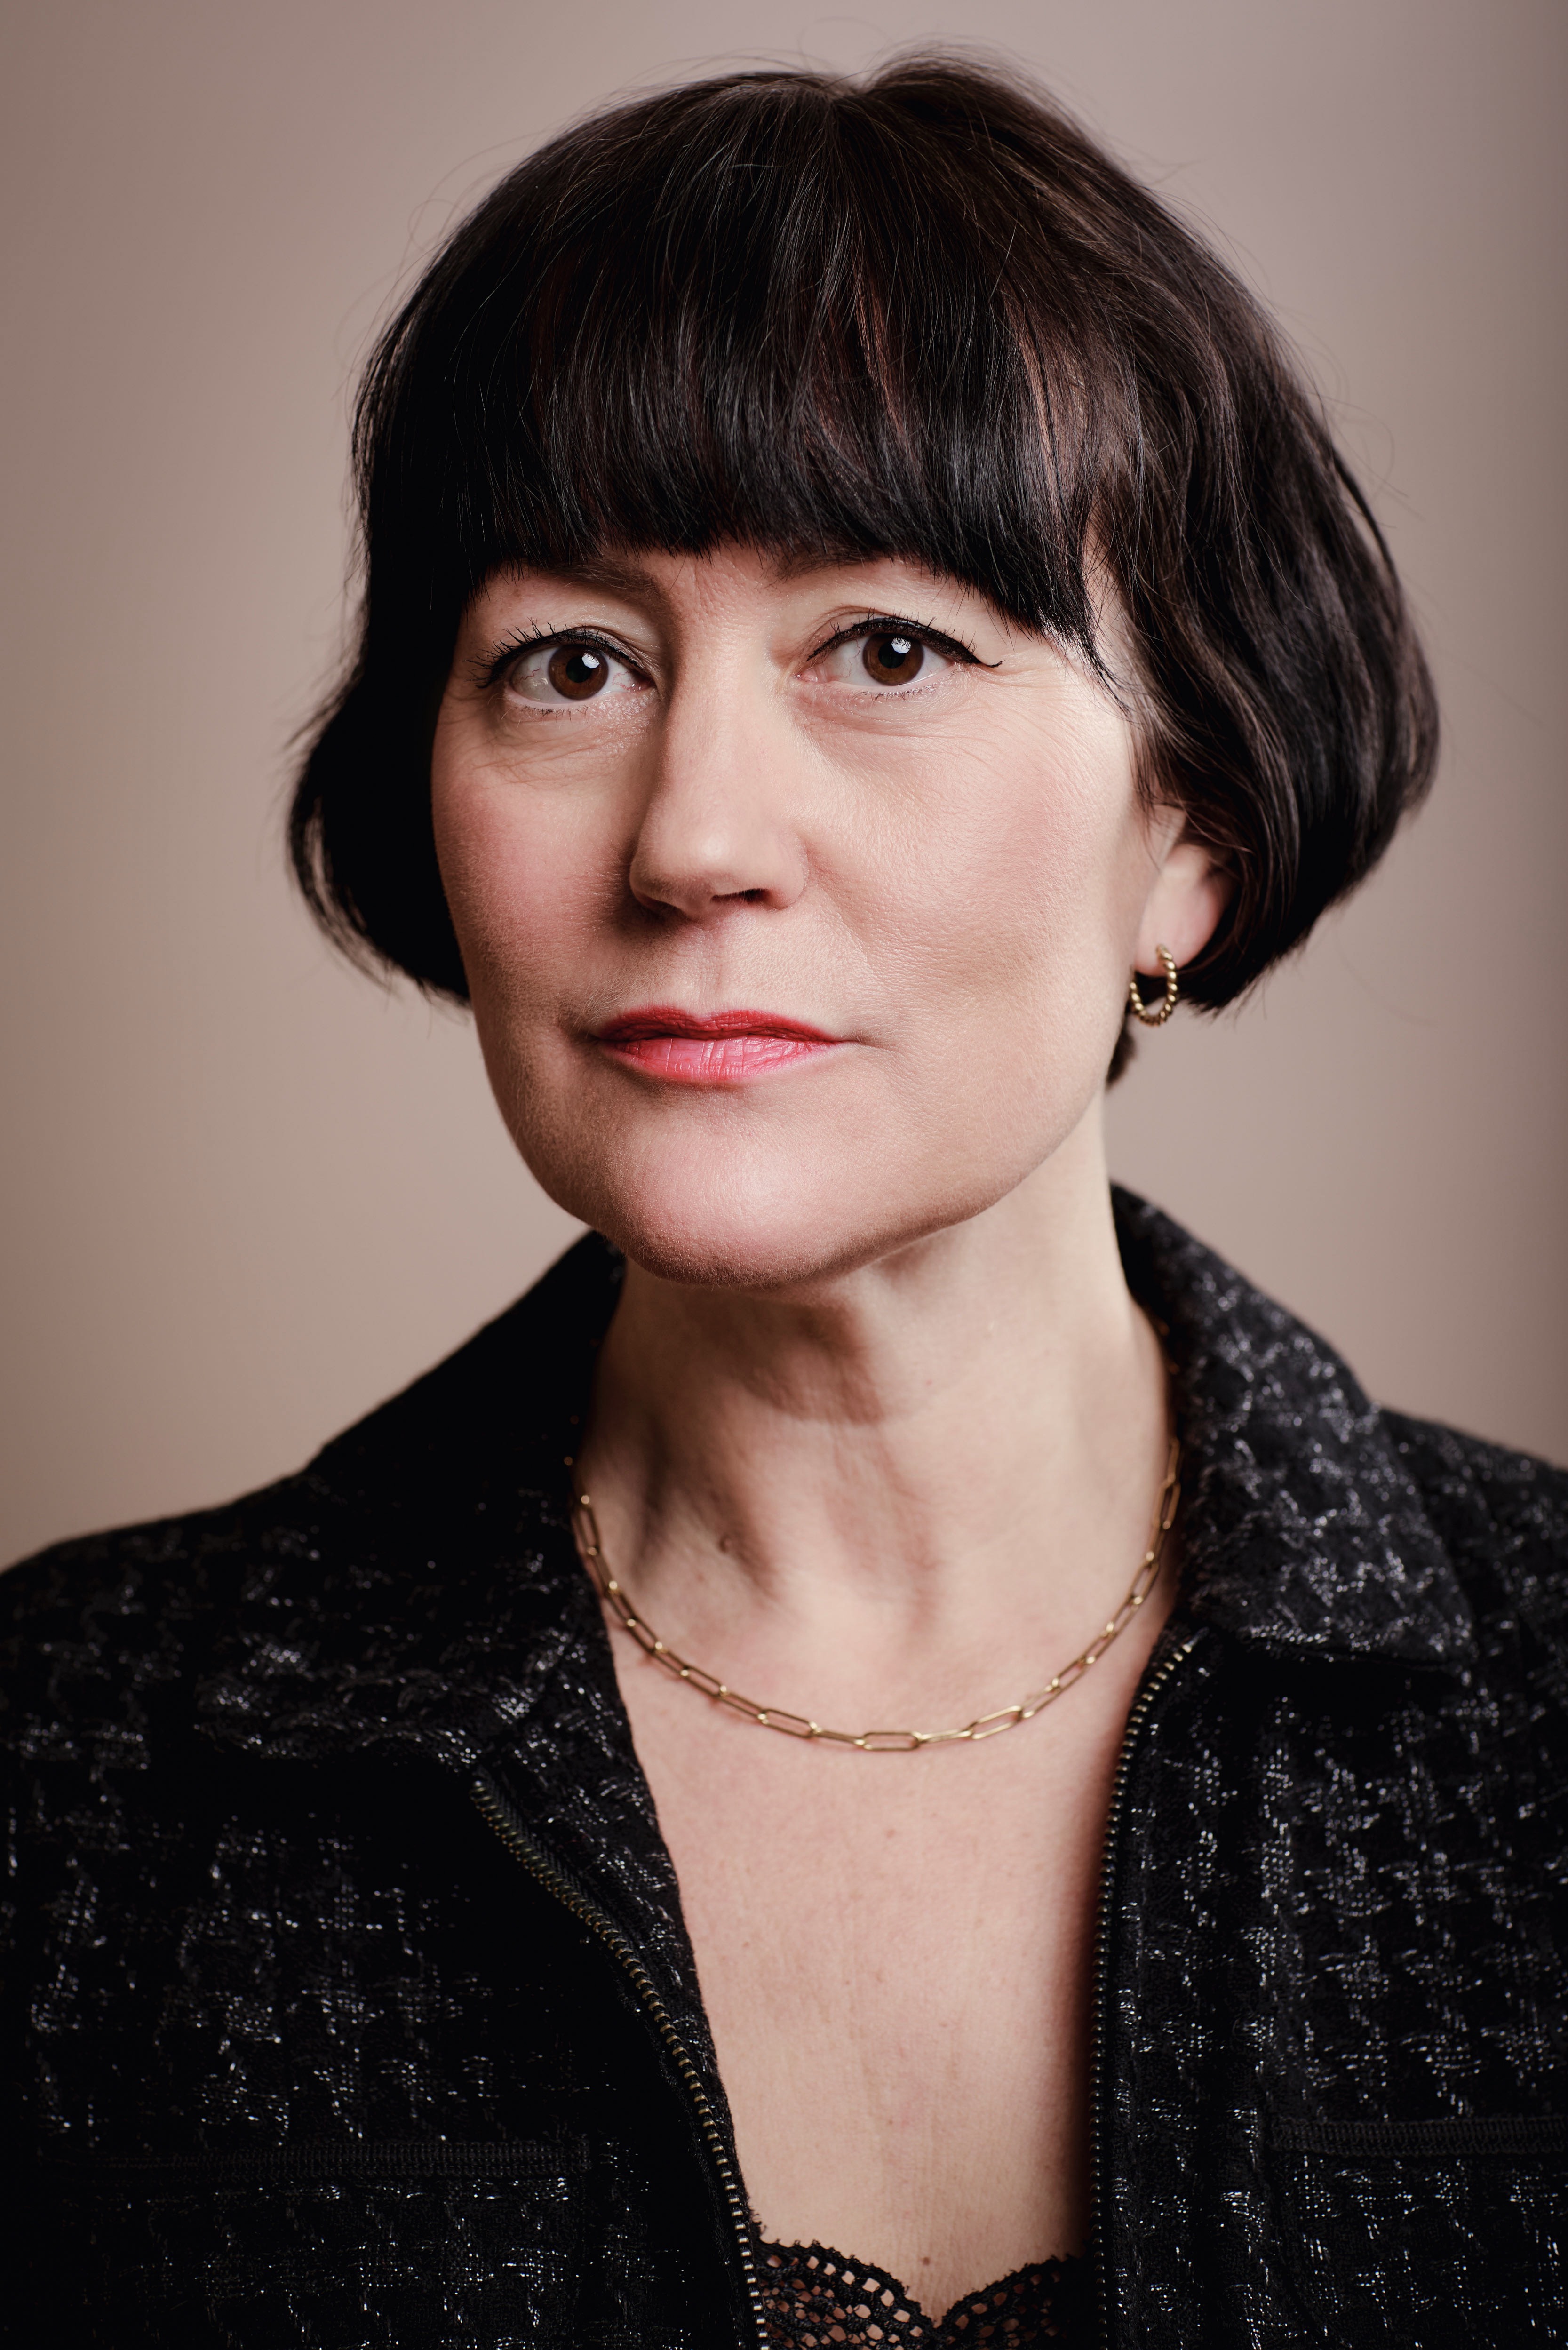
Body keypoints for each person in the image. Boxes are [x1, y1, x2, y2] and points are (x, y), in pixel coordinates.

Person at [3, 55, 1564, 2350]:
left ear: (1197, 832)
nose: (692, 837)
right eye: (573, 663)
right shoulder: (64, 1770)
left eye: (888, 649)